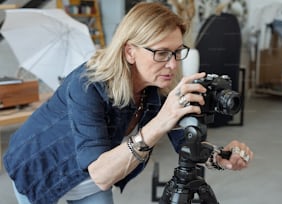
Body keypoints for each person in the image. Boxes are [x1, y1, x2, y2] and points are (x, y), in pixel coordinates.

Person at [3, 2, 254, 204]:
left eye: (177, 52)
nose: (173, 64)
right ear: (129, 51)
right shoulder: (87, 85)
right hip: (40, 167)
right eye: (161, 53)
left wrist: (219, 157)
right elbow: (101, 174)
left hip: (91, 182)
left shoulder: (160, 84)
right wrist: (160, 122)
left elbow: (183, 140)